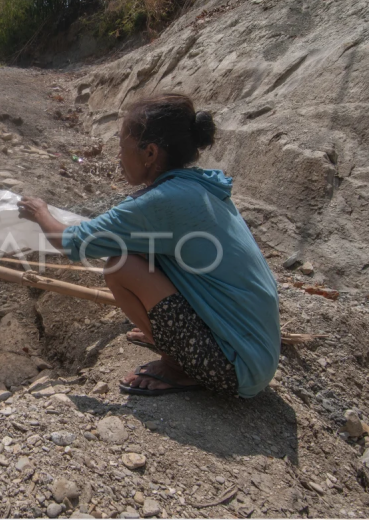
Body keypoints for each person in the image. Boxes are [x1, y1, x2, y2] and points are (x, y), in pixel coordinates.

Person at [17, 94, 280, 398]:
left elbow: (72, 243)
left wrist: (40, 212)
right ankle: (172, 337)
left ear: (150, 152)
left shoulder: (160, 203)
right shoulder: (196, 185)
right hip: (257, 353)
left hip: (234, 368)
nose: (119, 157)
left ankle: (177, 367)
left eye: (122, 147)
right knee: (140, 250)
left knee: (119, 265)